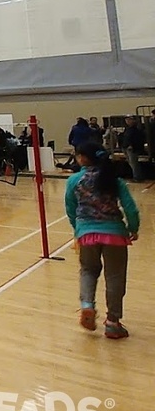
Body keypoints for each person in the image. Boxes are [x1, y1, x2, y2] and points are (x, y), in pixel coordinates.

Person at [64, 143, 140, 339]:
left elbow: (71, 209)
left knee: (88, 270)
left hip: (86, 233)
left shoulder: (74, 180)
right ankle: (113, 322)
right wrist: (133, 228)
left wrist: (78, 229)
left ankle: (87, 305)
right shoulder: (113, 179)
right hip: (114, 233)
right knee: (115, 277)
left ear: (82, 158)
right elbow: (130, 208)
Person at [120, 115, 145, 181]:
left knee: (134, 163)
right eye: (126, 120)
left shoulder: (136, 130)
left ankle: (137, 177)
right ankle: (136, 176)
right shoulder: (127, 129)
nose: (127, 121)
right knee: (131, 163)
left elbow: (137, 139)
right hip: (126, 147)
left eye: (129, 119)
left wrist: (132, 145)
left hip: (132, 148)